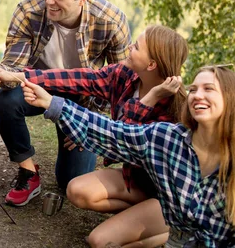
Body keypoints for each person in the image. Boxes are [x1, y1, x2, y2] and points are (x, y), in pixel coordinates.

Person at [0, 25, 188, 247]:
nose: (130, 46)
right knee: (76, 190)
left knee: (98, 241)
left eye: (137, 47)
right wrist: (17, 75)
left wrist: (146, 102)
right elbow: (80, 78)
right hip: (136, 178)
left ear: (151, 64)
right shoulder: (125, 75)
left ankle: (168, 228)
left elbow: (121, 141)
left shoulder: (175, 111)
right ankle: (140, 215)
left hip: (167, 194)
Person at [23, 65, 235, 247]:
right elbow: (111, 133)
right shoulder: (168, 140)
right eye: (193, 89)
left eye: (209, 89)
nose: (197, 95)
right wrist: (53, 104)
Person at [0, 0, 131, 206]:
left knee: (72, 181)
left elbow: (122, 84)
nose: (49, 0)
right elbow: (13, 70)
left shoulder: (111, 21)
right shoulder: (28, 11)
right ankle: (28, 172)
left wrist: (86, 121)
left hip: (82, 98)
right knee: (6, 100)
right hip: (34, 85)